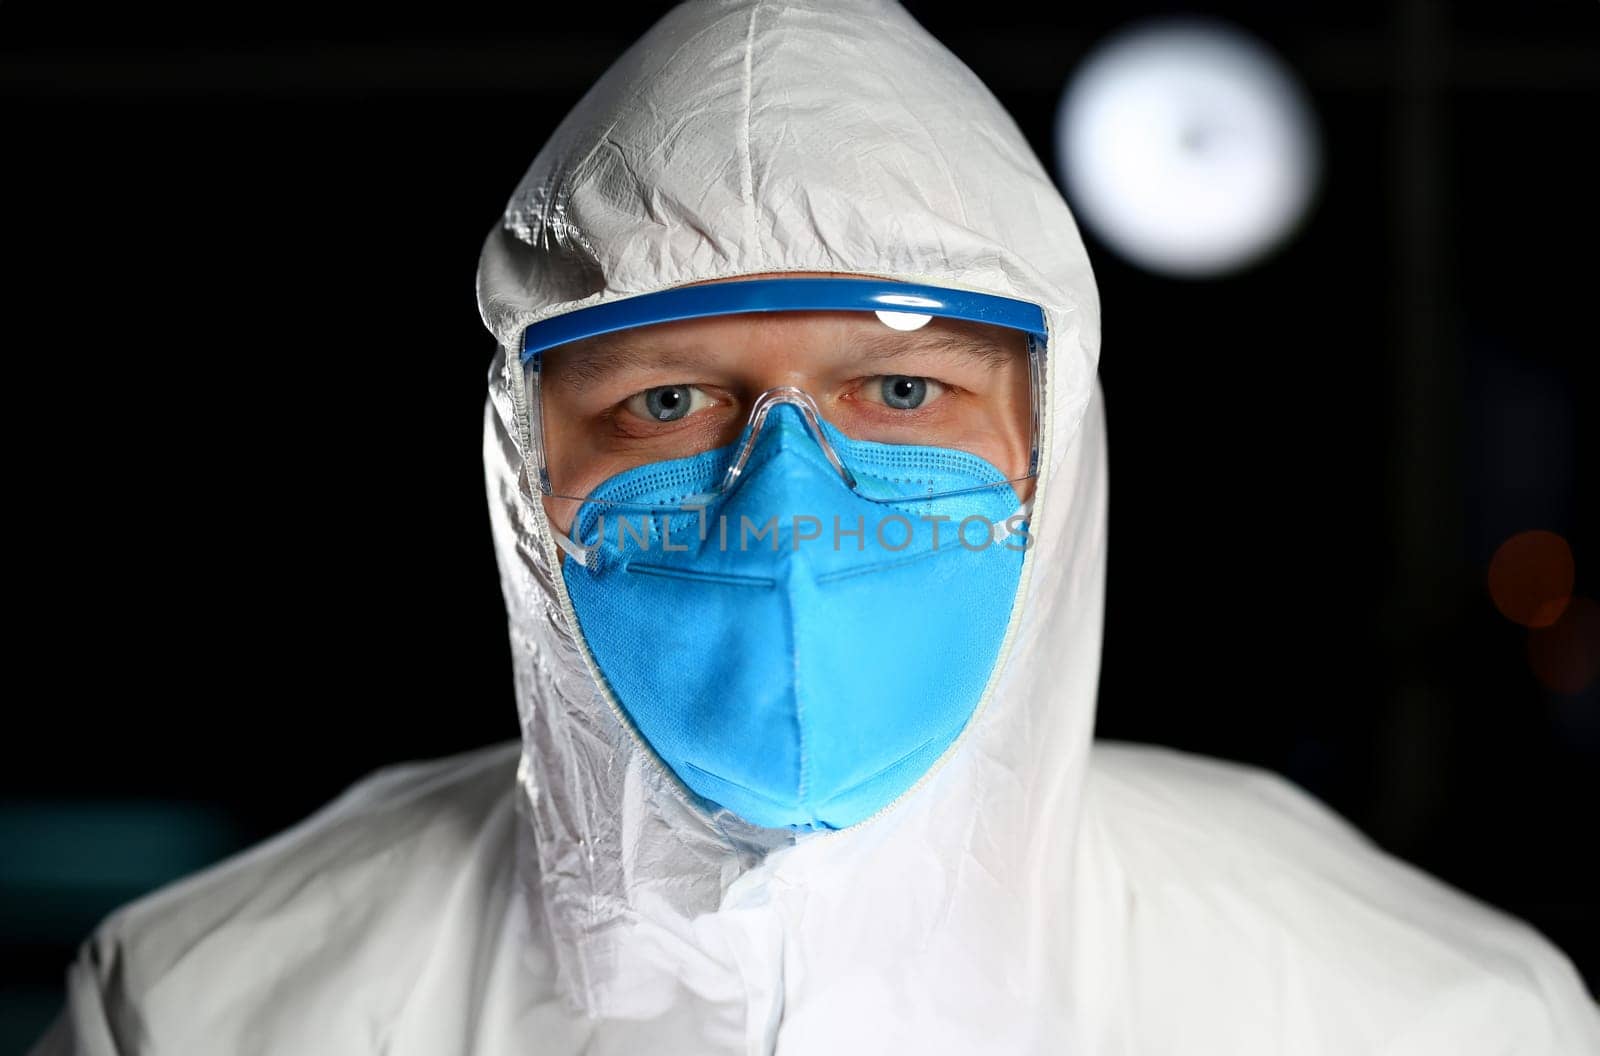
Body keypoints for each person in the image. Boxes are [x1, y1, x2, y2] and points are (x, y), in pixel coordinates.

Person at [30, 0, 1600, 1052]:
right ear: (526, 473)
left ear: (1056, 454)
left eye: (901, 396)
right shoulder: (214, 1013)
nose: (781, 500)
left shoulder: (1416, 1019)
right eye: (665, 404)